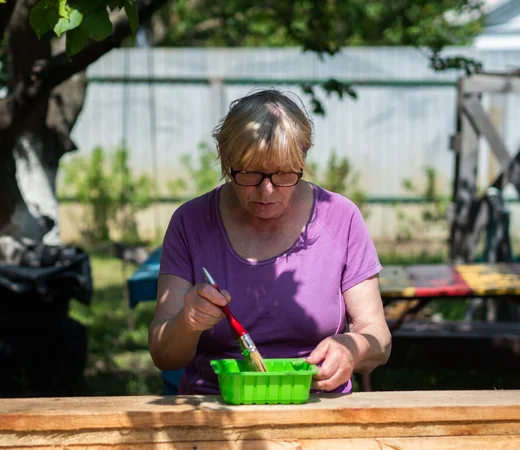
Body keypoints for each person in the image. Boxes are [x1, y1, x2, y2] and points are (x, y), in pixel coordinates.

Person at [148, 88, 391, 395]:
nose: (267, 191)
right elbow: (164, 355)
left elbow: (378, 339)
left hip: (316, 407)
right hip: (215, 409)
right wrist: (188, 322)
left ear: (303, 157)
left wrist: (352, 348)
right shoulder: (191, 221)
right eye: (249, 174)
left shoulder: (340, 218)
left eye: (283, 174)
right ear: (226, 158)